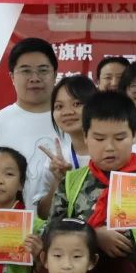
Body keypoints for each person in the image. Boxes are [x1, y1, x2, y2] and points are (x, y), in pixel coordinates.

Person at [48, 91, 136, 273]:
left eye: (120, 138)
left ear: (133, 136)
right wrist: (93, 235)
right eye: (99, 139)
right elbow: (52, 232)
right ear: (85, 137)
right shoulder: (72, 182)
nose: (109, 147)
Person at [0, 37, 60, 209]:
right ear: (12, 77)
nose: (35, 78)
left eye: (43, 70)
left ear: (55, 75)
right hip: (10, 225)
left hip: (66, 224)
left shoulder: (70, 121)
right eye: (26, 71)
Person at [34, 75, 98, 217]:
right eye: (59, 106)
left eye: (77, 104)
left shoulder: (119, 152)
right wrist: (58, 180)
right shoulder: (57, 159)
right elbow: (43, 214)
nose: (67, 112)